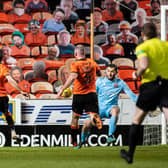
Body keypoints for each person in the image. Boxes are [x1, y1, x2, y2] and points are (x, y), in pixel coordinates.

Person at [120, 22, 168, 164]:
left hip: (150, 85)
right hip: (166, 84)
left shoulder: (142, 47)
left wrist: (136, 74)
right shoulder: (166, 45)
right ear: (157, 33)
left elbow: (144, 64)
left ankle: (130, 154)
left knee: (137, 119)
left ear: (142, 34)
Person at [56, 45, 102, 148]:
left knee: (75, 117)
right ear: (84, 53)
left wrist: (62, 89)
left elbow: (73, 76)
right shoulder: (92, 62)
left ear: (76, 54)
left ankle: (75, 141)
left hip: (79, 94)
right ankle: (94, 119)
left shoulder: (75, 64)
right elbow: (99, 74)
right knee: (92, 115)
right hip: (91, 94)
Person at [96, 64, 137, 144]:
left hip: (110, 108)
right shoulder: (99, 81)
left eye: (112, 71)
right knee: (87, 124)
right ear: (105, 72)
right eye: (108, 71)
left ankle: (110, 136)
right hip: (99, 109)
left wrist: (142, 102)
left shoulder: (120, 83)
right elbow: (93, 94)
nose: (110, 73)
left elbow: (131, 94)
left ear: (116, 72)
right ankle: (82, 141)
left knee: (115, 110)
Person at [0, 49, 23, 143]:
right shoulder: (2, 68)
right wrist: (20, 90)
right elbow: (10, 79)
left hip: (2, 96)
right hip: (2, 97)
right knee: (7, 114)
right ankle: (13, 132)